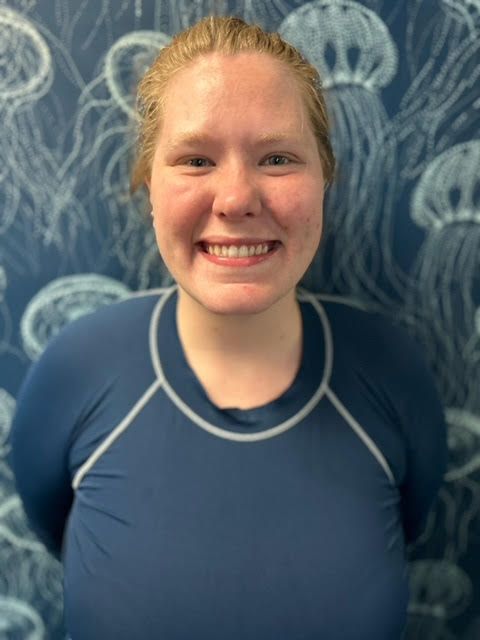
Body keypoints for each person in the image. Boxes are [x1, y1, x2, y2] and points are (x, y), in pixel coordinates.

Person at [10, 16, 447, 640]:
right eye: (196, 158)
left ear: (323, 179)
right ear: (148, 186)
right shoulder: (75, 371)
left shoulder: (390, 368)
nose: (237, 197)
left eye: (277, 157)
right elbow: (51, 523)